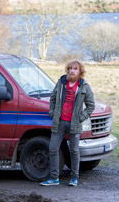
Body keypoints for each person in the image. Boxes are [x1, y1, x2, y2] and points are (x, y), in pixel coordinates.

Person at [40, 59, 95, 187]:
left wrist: (81, 117)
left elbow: (91, 106)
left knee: (74, 151)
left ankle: (74, 177)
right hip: (59, 122)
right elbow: (53, 99)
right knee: (53, 149)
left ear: (80, 71)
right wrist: (53, 113)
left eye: (75, 68)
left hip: (74, 123)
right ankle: (54, 178)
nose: (71, 71)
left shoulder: (84, 86)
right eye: (70, 68)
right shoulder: (61, 83)